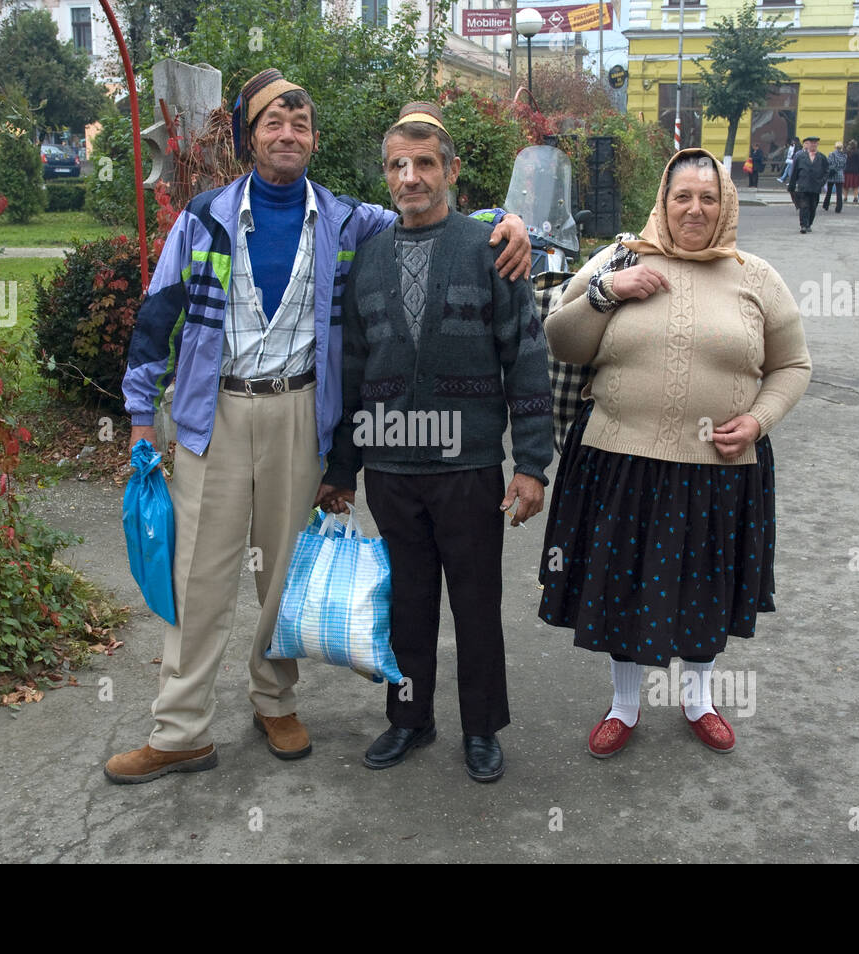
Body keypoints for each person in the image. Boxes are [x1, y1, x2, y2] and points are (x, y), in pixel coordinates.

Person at [108, 70, 531, 784]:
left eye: (300, 124)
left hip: (299, 414)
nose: (288, 134)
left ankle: (274, 701)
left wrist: (503, 220)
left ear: (312, 139)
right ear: (250, 136)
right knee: (199, 578)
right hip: (212, 416)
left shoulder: (342, 217)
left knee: (281, 576)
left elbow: (424, 209)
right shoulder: (205, 216)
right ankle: (180, 731)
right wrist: (140, 414)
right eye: (274, 122)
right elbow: (157, 316)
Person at [539, 147, 811, 758]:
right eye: (681, 197)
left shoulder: (755, 276)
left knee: (703, 589)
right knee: (624, 587)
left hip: (719, 469)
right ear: (663, 201)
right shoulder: (620, 257)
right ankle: (624, 706)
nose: (694, 209)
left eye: (707, 198)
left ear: (725, 205)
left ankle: (698, 700)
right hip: (621, 463)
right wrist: (609, 291)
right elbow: (563, 342)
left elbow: (793, 365)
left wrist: (760, 421)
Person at [317, 103, 553, 784]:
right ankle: (410, 719)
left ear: (450, 170)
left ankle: (482, 729)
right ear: (387, 175)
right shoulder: (365, 259)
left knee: (476, 605)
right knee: (408, 604)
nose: (411, 176)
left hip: (469, 466)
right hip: (391, 467)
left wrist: (531, 464)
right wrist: (342, 467)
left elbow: (527, 357)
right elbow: (352, 369)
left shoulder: (490, 251)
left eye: (425, 163)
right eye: (398, 164)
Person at [788, 135, 828, 233]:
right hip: (803, 185)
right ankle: (803, 225)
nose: (813, 145)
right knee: (804, 206)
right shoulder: (800, 157)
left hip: (815, 186)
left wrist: (822, 182)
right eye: (811, 143)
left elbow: (827, 171)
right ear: (807, 144)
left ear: (817, 144)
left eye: (815, 143)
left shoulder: (822, 157)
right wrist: (792, 186)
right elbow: (795, 172)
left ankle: (809, 223)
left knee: (813, 206)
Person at [822, 140, 845, 213]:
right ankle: (838, 208)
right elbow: (844, 165)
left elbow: (828, 163)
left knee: (829, 191)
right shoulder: (844, 155)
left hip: (832, 174)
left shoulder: (831, 154)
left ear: (835, 147)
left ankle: (826, 205)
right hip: (840, 174)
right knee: (839, 192)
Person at [843, 140, 859, 204]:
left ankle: (845, 197)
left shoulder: (846, 152)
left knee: (845, 185)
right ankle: (855, 198)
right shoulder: (857, 152)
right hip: (855, 171)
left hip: (846, 171)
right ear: (855, 145)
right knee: (855, 186)